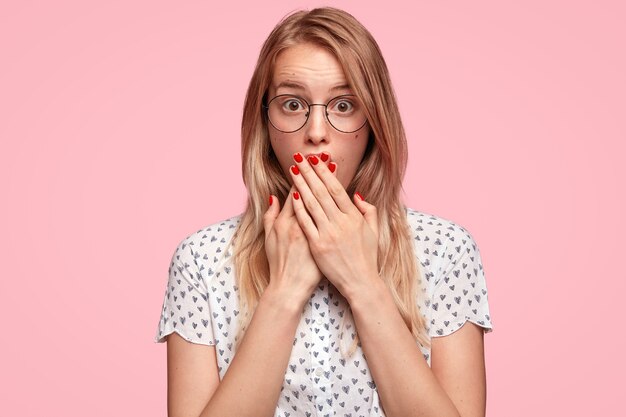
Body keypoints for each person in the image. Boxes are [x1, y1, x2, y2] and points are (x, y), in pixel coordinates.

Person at [154, 6, 493, 417]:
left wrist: (363, 283)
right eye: (293, 104)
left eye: (344, 105)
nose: (316, 132)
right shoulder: (202, 260)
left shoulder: (445, 251)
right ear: (265, 120)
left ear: (374, 120)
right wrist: (283, 293)